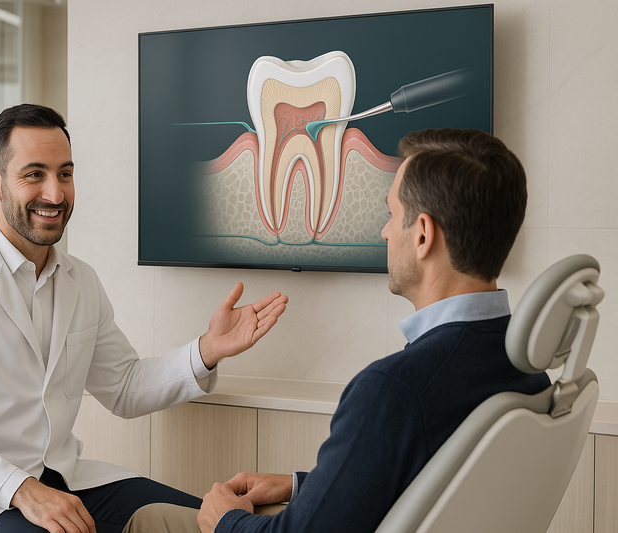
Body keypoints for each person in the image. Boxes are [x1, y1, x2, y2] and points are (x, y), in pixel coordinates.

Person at [122, 128, 552, 533]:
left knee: (151, 518)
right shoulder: (525, 368)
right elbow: (428, 486)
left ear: (422, 236)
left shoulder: (395, 390)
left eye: (391, 214)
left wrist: (226, 521)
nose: (385, 231)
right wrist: (298, 485)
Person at [0, 103, 288, 533]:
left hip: (62, 479)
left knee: (209, 523)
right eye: (34, 174)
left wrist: (207, 350)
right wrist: (22, 489)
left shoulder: (80, 279)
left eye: (65, 173)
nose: (55, 194)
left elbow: (123, 386)